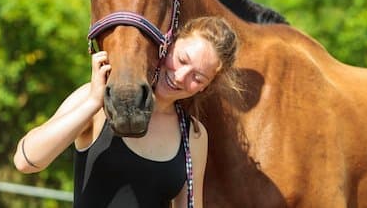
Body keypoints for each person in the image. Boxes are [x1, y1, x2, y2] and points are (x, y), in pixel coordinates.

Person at [13, 16, 240, 208]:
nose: (180, 76)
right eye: (181, 60)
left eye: (197, 77)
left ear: (204, 87)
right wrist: (93, 102)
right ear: (168, 44)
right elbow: (26, 160)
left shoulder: (194, 135)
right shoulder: (95, 101)